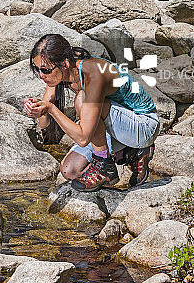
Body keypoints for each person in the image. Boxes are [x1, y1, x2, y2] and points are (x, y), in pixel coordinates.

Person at [23, 33, 160, 192]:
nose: (41, 75)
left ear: (65, 63)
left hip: (143, 125)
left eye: (45, 70)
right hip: (115, 126)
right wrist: (38, 110)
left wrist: (51, 109)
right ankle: (129, 152)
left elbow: (83, 138)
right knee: (70, 170)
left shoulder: (93, 73)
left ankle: (105, 165)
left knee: (82, 100)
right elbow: (44, 124)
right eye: (37, 69)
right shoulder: (57, 73)